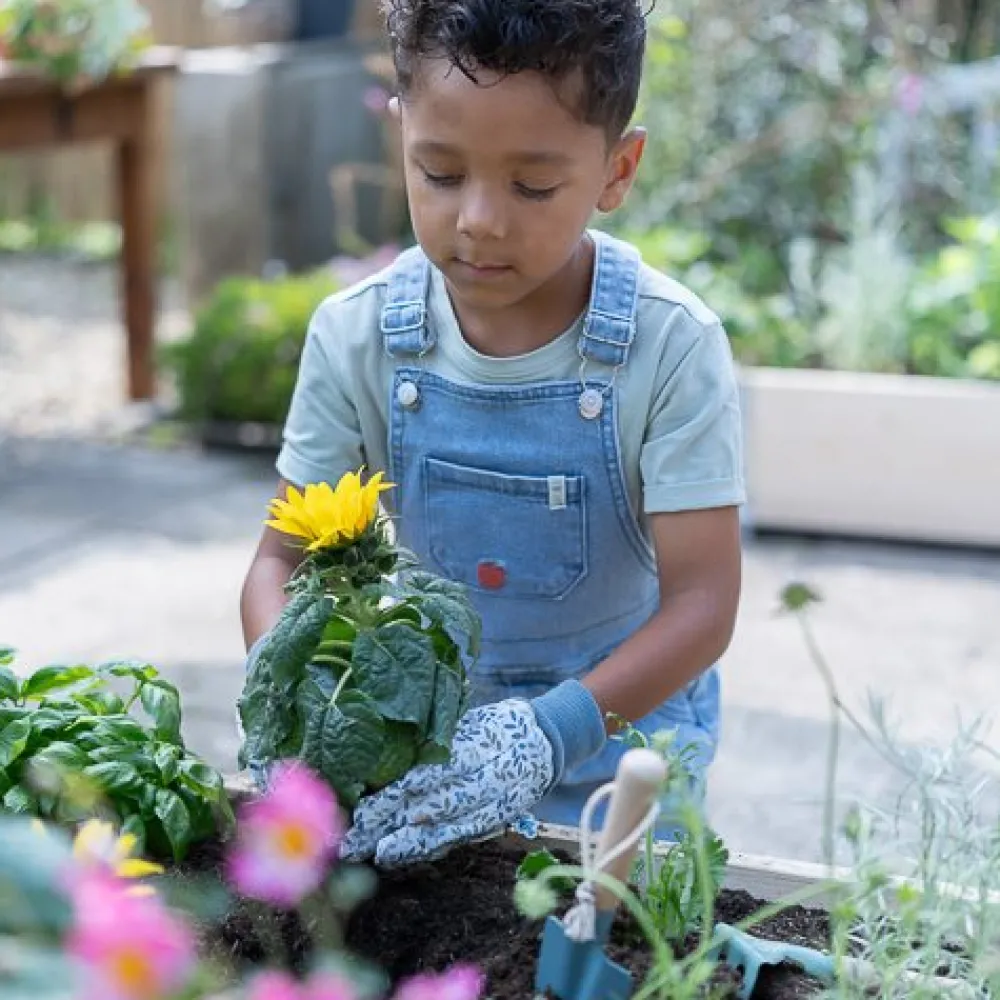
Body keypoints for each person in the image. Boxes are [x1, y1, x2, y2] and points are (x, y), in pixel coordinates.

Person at [239, 0, 745, 867]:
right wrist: (302, 709)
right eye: (439, 172)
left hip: (624, 757)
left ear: (617, 171)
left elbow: (703, 605)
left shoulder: (669, 346)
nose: (478, 218)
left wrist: (543, 737)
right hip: (427, 760)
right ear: (399, 137)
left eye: (532, 186)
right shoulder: (359, 335)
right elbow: (280, 566)